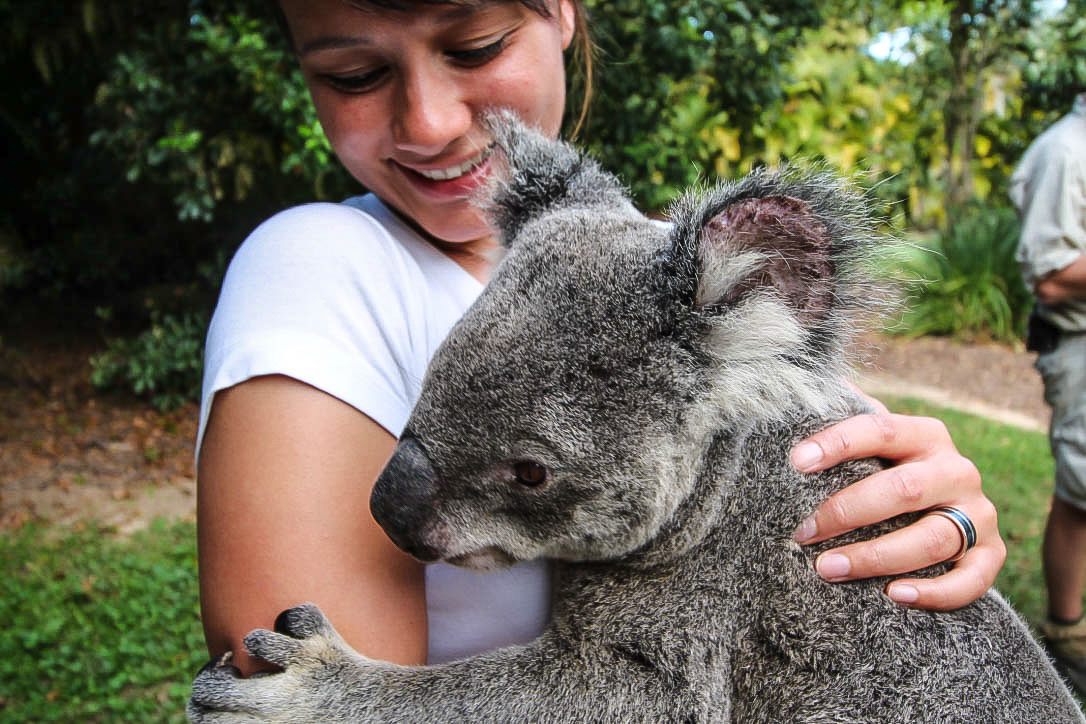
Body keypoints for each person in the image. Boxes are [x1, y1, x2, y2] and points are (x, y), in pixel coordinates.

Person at [197, 0, 1005, 676]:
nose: (431, 122)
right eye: (354, 75)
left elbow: (830, 450)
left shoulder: (664, 282)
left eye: (474, 45)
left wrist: (936, 512)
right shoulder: (317, 267)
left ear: (563, 12)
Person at [1010, 89, 1086, 692]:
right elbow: (1052, 278)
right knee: (1081, 489)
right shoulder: (1065, 149)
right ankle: (1066, 633)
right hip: (1079, 344)